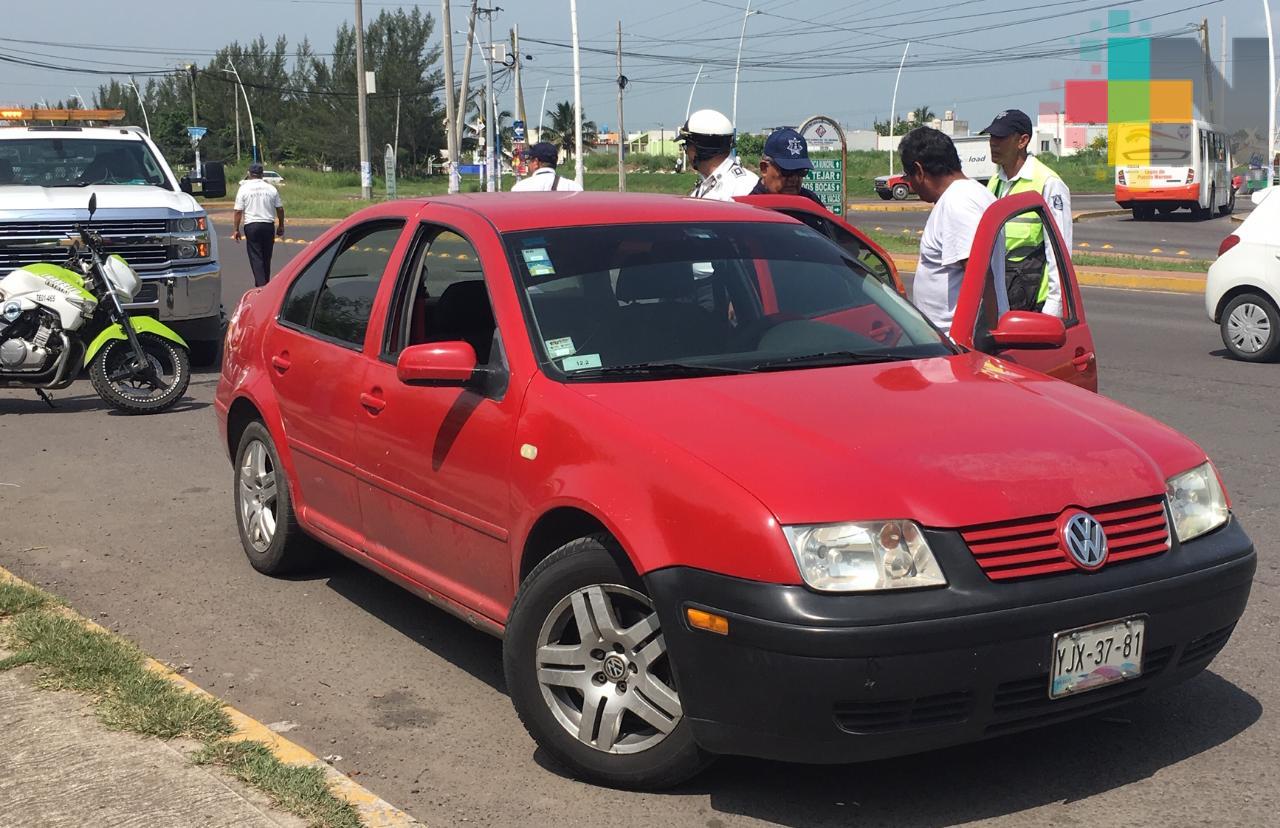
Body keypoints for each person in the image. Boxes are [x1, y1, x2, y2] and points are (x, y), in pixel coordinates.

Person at [898, 126, 1007, 330]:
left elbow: (981, 276)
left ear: (919, 171)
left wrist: (987, 340)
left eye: (908, 176)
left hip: (957, 344)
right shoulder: (975, 192)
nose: (910, 185)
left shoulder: (957, 203)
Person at [981, 109, 1070, 316]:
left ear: (1022, 141)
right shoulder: (995, 182)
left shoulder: (1048, 183)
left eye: (1001, 137)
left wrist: (1053, 306)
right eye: (992, 136)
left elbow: (1060, 253)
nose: (993, 143)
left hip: (1035, 301)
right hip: (1003, 296)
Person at [680, 108, 759, 200]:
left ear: (700, 148)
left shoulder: (743, 186)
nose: (686, 152)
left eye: (686, 146)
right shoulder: (707, 183)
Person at [232, 163, 284, 288]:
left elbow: (238, 211)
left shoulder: (244, 189)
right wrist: (281, 225)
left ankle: (261, 286)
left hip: (252, 225)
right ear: (262, 174)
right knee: (267, 256)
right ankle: (266, 282)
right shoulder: (270, 188)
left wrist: (236, 229)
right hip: (268, 225)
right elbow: (280, 208)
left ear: (249, 174)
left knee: (256, 256)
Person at [750, 127, 824, 205]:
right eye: (787, 171)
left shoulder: (811, 203)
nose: (794, 178)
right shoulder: (749, 208)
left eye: (801, 171)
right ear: (764, 169)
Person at [510, 142, 583, 192]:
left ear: (536, 162)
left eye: (529, 160)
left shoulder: (520, 188)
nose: (528, 164)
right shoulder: (573, 188)